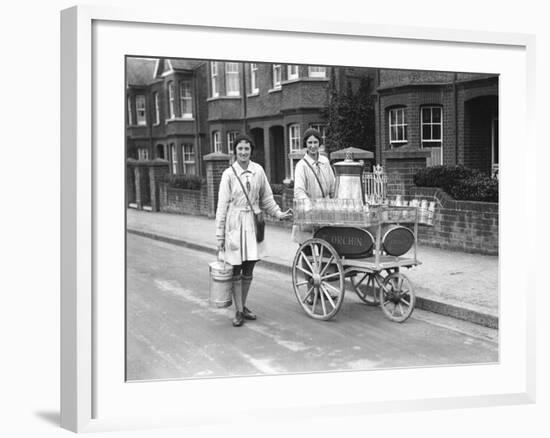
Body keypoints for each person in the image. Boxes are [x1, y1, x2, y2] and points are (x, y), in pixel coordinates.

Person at [215, 134, 292, 327]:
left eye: (246, 149)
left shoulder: (258, 171)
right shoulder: (229, 174)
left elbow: (266, 198)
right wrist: (219, 235)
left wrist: (279, 214)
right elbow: (222, 206)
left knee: (249, 267)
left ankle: (242, 305)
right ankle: (239, 311)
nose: (243, 152)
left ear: (251, 151)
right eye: (240, 149)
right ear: (235, 151)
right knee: (236, 268)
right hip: (235, 224)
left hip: (253, 223)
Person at [291, 128, 336, 244]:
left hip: (325, 210)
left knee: (325, 248)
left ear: (319, 144)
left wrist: (335, 203)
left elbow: (333, 185)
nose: (312, 146)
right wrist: (310, 207)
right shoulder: (301, 166)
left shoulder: (325, 162)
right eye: (309, 143)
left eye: (315, 142)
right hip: (308, 212)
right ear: (305, 144)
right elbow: (299, 191)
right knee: (308, 250)